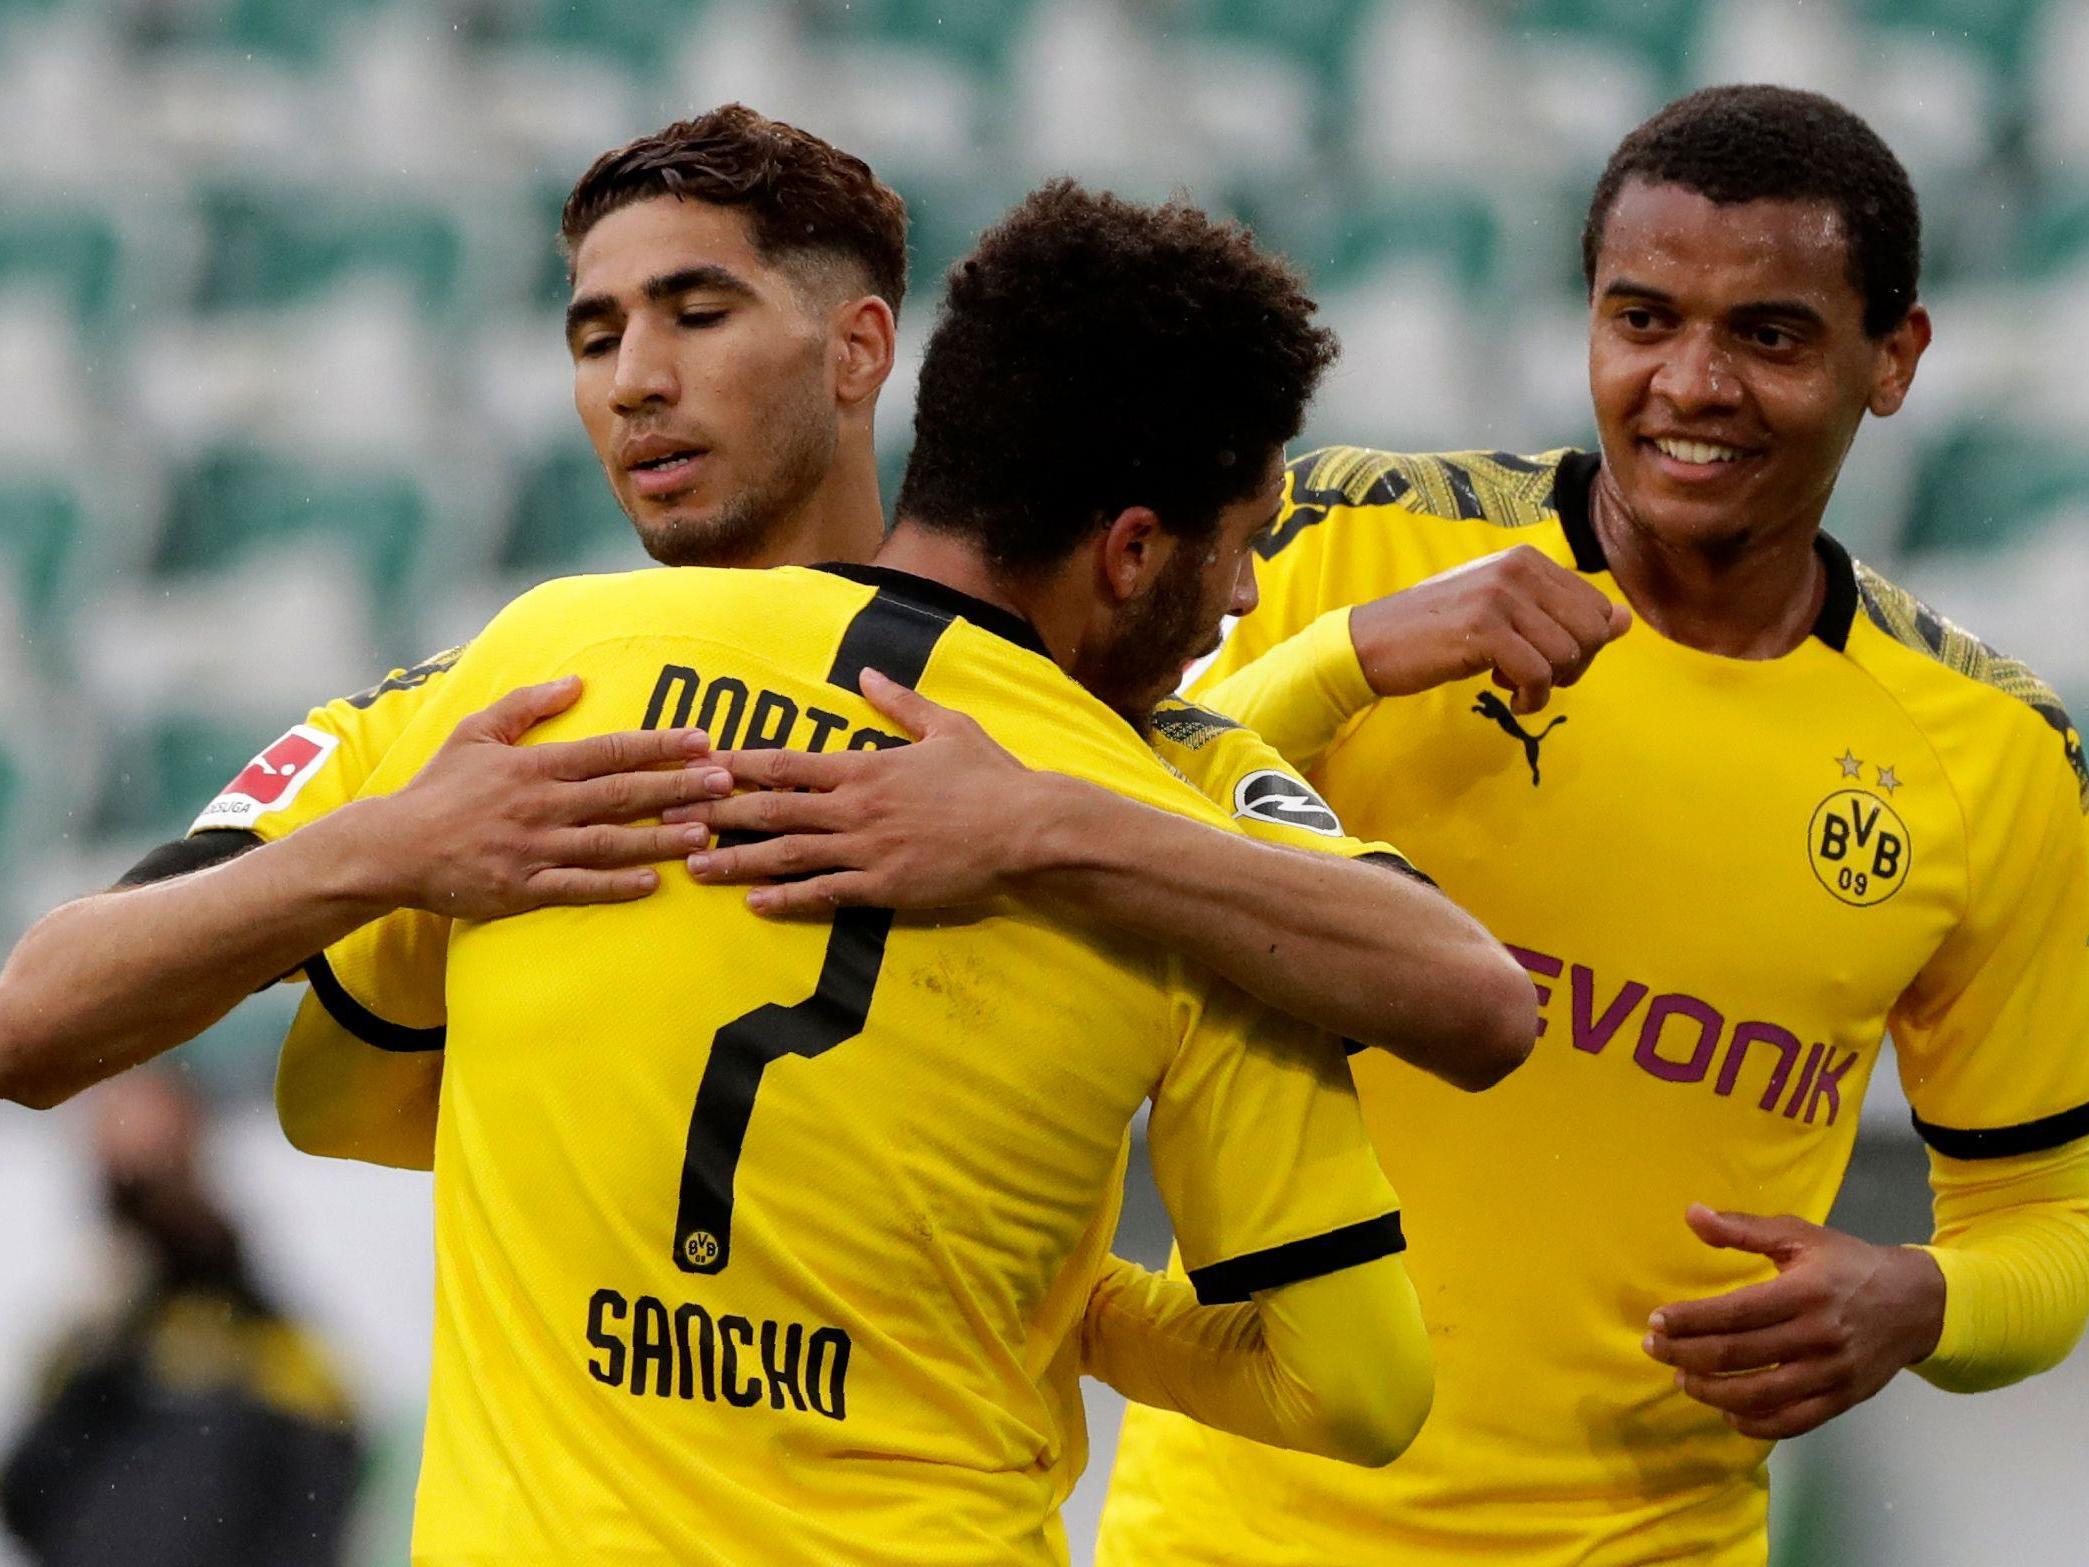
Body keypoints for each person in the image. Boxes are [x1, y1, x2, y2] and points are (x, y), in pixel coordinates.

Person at [285, 181, 1438, 1565]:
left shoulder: (566, 662)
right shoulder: (1180, 842)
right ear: (1133, 551)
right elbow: (1359, 1387)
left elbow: (326, 1097)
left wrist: (590, 1138)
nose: (1241, 596)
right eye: (1241, 545)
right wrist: (1076, 1297)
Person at [0, 105, 1530, 1134]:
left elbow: (1468, 998)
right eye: (595, 334)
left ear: (859, 347)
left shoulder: (1066, 727)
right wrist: (389, 848)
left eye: (696, 312)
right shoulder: (498, 706)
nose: (633, 380)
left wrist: (1038, 831)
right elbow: (34, 1020)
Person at [1072, 84, 2089, 1566]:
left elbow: (2043, 1225)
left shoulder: (1991, 754)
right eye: (1643, 317)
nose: (1692, 382)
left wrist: (1919, 1299)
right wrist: (1345, 658)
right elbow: (1076, 835)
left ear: (1894, 357)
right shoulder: (1347, 543)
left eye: (1770, 334)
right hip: (1236, 1529)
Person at [1, 1072, 361, 1567]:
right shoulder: (89, 1339)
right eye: (121, 1170)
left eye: (156, 1166)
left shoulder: (267, 1342)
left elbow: (326, 1478)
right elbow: (27, 1495)